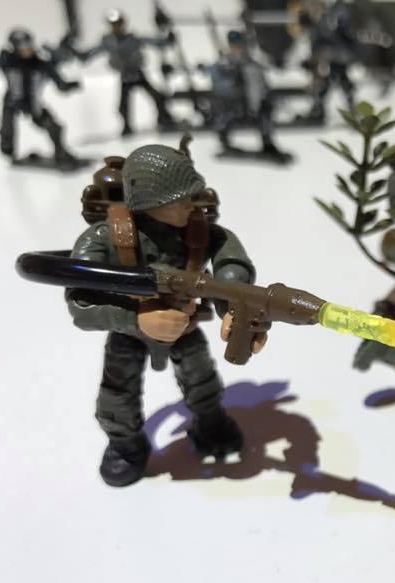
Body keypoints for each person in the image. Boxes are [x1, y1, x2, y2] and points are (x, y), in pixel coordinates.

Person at [66, 143, 265, 486]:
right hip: (129, 332)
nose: (191, 204)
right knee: (117, 396)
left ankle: (210, 424)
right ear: (149, 201)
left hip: (184, 326)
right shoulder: (106, 237)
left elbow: (229, 260)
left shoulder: (198, 229)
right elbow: (80, 303)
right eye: (180, 198)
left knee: (201, 380)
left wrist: (234, 305)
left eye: (191, 195)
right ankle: (125, 446)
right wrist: (134, 319)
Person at [0, 29, 82, 167]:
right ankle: (8, 149)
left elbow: (59, 82)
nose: (27, 49)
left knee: (54, 127)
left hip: (33, 102)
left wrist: (69, 85)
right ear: (14, 47)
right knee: (7, 131)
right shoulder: (7, 61)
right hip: (12, 101)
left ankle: (61, 153)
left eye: (28, 44)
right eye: (22, 46)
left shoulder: (40, 63)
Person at [77, 9, 176, 135]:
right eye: (114, 24)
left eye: (119, 24)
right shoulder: (109, 42)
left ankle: (164, 119)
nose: (117, 27)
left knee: (158, 97)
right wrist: (83, 55)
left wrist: (166, 41)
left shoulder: (132, 39)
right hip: (125, 76)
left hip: (138, 74)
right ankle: (127, 126)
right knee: (123, 105)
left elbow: (152, 42)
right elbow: (94, 51)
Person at [206, 30, 288, 160]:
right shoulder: (223, 65)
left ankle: (267, 144)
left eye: (239, 45)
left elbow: (260, 87)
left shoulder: (250, 64)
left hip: (249, 105)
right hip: (230, 106)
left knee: (264, 113)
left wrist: (257, 105)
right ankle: (224, 142)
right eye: (234, 45)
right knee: (222, 115)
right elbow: (218, 84)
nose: (238, 48)